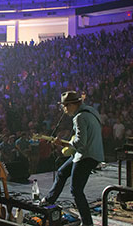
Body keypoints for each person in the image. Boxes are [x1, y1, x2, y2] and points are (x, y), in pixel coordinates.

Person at [42, 91, 104, 226]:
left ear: (71, 105)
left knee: (76, 190)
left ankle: (87, 223)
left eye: (65, 106)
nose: (64, 109)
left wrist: (62, 143)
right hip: (92, 153)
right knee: (62, 172)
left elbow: (80, 144)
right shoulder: (91, 111)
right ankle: (48, 200)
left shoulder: (79, 117)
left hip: (86, 155)